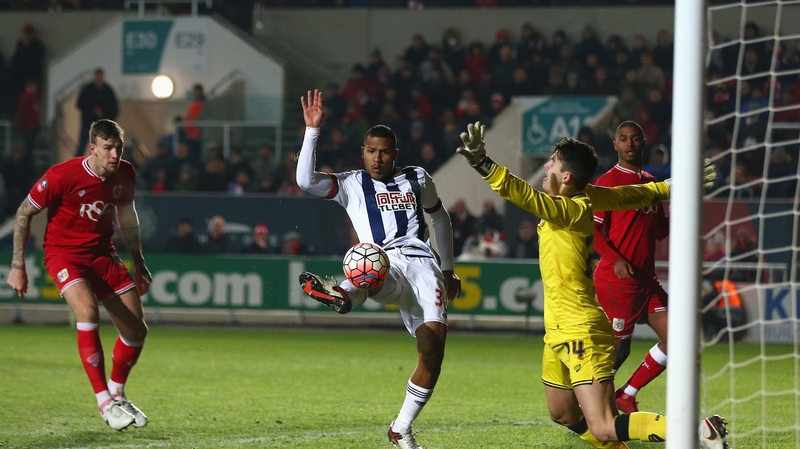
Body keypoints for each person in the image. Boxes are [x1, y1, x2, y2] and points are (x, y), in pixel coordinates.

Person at [455, 121, 727, 448]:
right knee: (563, 415)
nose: (546, 165)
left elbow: (522, 194)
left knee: (604, 427)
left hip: (581, 329)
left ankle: (697, 432)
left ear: (566, 176)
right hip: (557, 328)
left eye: (552, 162)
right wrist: (668, 187)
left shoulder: (568, 209)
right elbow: (627, 196)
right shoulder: (586, 196)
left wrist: (483, 163)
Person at [295, 90, 461, 449]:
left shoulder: (417, 178)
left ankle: (400, 427)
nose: (377, 157)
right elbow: (305, 181)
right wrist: (312, 131)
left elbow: (440, 219)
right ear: (363, 152)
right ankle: (341, 293)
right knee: (370, 261)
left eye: (385, 151)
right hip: (384, 262)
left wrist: (448, 270)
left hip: (423, 266)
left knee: (433, 349)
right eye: (371, 150)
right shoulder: (352, 183)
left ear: (395, 154)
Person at [6, 119, 151, 431]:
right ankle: (104, 402)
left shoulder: (125, 172)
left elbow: (128, 218)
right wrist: (18, 266)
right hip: (64, 254)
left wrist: (139, 262)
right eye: (108, 148)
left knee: (137, 330)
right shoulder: (62, 175)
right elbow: (24, 213)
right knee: (87, 311)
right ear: (93, 148)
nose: (115, 154)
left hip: (102, 254)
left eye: (119, 148)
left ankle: (117, 393)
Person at [592, 121, 670, 415]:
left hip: (647, 281)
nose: (629, 143)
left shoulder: (651, 183)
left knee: (680, 337)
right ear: (615, 145)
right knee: (618, 350)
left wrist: (676, 206)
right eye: (623, 139)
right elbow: (592, 230)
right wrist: (617, 259)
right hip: (618, 280)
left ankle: (627, 394)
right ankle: (591, 408)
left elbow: (660, 231)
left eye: (635, 138)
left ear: (643, 142)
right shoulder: (608, 183)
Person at [75, 69, 118, 157]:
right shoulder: (88, 90)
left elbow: (114, 108)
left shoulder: (108, 91)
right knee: (82, 145)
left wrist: (106, 117)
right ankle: (77, 166)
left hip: (102, 124)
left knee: (100, 147)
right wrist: (92, 109)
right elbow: (80, 104)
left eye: (100, 77)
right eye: (97, 77)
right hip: (88, 122)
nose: (99, 79)